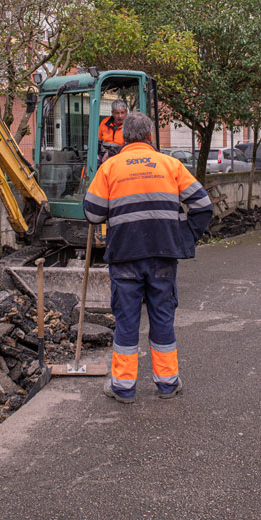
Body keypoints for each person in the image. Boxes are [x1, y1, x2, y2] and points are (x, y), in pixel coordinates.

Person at [84, 111, 213, 403]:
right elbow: (203, 205)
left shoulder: (110, 167)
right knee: (162, 319)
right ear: (150, 136)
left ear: (124, 137)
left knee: (127, 322)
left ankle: (123, 388)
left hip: (125, 256)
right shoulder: (171, 165)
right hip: (163, 256)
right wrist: (184, 237)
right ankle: (167, 384)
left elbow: (92, 213)